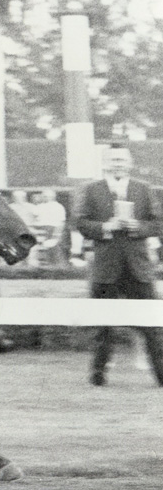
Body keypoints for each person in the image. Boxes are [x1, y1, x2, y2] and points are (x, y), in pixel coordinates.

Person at [73, 142, 163, 386]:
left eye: (122, 160)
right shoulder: (92, 190)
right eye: (113, 160)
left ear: (130, 163)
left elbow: (158, 223)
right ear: (105, 163)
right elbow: (80, 223)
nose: (118, 164)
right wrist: (105, 227)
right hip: (105, 269)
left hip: (138, 269)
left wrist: (139, 228)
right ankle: (97, 378)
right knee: (103, 327)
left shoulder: (143, 189)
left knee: (152, 327)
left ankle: (162, 378)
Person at [28, 189, 68, 267]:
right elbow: (34, 218)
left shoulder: (58, 207)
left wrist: (56, 235)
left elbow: (61, 222)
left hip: (53, 230)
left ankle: (58, 269)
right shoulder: (39, 206)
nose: (44, 198)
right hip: (40, 230)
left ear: (52, 197)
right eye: (43, 196)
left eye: (46, 196)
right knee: (40, 252)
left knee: (54, 250)